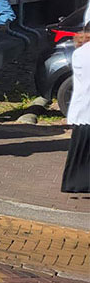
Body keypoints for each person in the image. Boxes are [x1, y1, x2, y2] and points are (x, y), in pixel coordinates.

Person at [61, 30, 89, 193]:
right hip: (86, 107)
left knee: (79, 149)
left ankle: (73, 183)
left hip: (82, 108)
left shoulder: (79, 53)